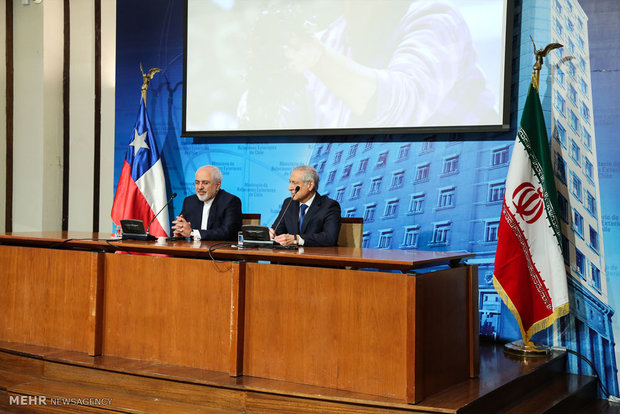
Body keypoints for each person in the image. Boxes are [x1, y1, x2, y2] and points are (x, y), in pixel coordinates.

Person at [270, 165, 341, 247]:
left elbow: (330, 238)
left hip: (316, 256)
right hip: (291, 257)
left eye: (295, 183)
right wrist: (271, 234)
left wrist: (297, 239)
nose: (289, 188)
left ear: (310, 185)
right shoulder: (288, 203)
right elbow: (277, 231)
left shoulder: (329, 206)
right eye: (290, 182)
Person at [172, 165, 242, 240]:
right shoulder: (189, 201)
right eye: (197, 183)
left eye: (205, 183)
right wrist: (178, 232)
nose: (200, 187)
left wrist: (192, 233)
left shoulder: (231, 201)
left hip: (220, 250)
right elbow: (178, 227)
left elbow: (228, 232)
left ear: (217, 185)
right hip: (193, 249)